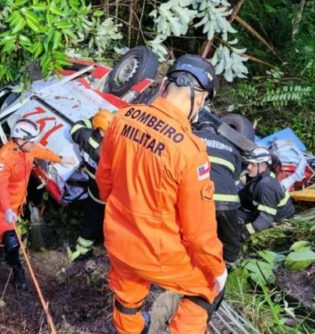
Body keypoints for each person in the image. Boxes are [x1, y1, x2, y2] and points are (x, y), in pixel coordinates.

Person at [96, 54, 227, 334]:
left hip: (118, 240)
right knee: (207, 289)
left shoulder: (123, 118)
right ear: (200, 99)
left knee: (128, 299)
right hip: (158, 253)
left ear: (164, 84)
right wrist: (217, 269)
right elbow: (198, 233)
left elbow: (104, 181)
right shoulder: (190, 151)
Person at [0, 119, 74, 289]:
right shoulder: (3, 159)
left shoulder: (28, 149)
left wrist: (60, 159)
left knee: (7, 234)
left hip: (15, 201)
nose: (35, 144)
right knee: (11, 240)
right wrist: (7, 210)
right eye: (32, 141)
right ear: (20, 140)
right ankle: (17, 271)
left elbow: (41, 151)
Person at [68, 109, 114, 262]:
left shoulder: (84, 136)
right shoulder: (105, 152)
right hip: (105, 191)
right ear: (102, 131)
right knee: (98, 218)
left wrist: (94, 119)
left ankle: (82, 249)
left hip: (92, 186)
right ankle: (90, 247)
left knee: (91, 215)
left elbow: (75, 128)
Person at [193, 121, 243, 264]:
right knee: (229, 238)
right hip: (228, 201)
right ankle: (229, 266)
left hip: (201, 198)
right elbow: (235, 182)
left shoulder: (191, 137)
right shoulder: (231, 148)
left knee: (195, 236)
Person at [238, 147, 295, 239]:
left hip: (278, 220)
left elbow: (265, 219)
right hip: (264, 213)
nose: (248, 167)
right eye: (248, 163)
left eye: (252, 164)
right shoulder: (260, 177)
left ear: (263, 166)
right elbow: (242, 195)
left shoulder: (266, 185)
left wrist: (243, 233)